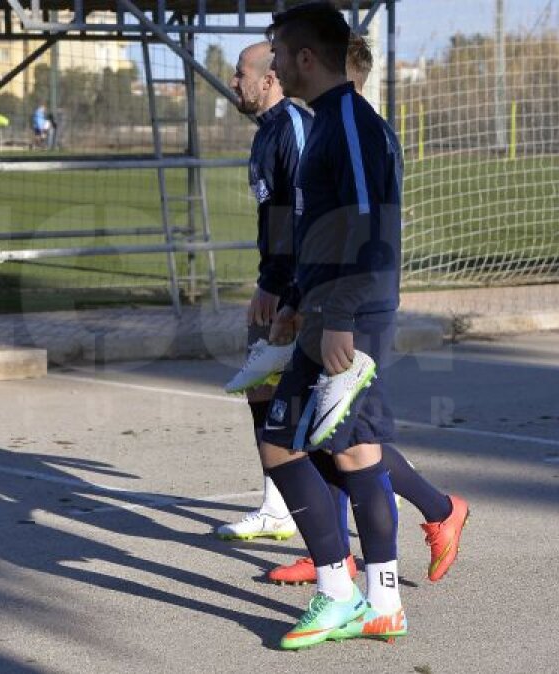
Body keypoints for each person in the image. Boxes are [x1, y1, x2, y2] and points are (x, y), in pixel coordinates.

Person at [223, 38, 469, 590]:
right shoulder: (296, 129)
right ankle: (341, 549)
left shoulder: (330, 131)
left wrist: (296, 295)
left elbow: (347, 228)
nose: (282, 73)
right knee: (331, 433)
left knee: (346, 437)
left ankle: (401, 544)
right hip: (313, 297)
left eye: (254, 69)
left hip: (344, 307)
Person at [217, 42, 313, 543]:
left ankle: (411, 502)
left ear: (269, 79)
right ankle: (279, 504)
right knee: (264, 391)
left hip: (296, 287)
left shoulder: (293, 128)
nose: (233, 83)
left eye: (240, 74)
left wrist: (282, 287)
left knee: (317, 408)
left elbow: (300, 216)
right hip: (275, 281)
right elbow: (272, 217)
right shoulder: (266, 133)